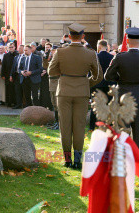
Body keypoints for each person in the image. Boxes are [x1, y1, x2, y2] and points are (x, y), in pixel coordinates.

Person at [48, 23, 102, 170]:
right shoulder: (91, 53)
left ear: (69, 36)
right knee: (79, 126)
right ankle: (77, 160)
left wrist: (64, 75)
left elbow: (51, 71)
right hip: (82, 92)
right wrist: (85, 83)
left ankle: (67, 160)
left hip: (64, 91)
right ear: (83, 37)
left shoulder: (60, 52)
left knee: (65, 126)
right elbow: (98, 76)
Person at [104, 27, 139, 151]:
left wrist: (120, 80)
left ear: (126, 41)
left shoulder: (120, 57)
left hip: (122, 96)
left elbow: (108, 75)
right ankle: (137, 163)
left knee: (122, 132)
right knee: (138, 133)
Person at [88, 39, 115, 130]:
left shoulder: (95, 57)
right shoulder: (112, 57)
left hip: (97, 84)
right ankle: (109, 126)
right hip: (109, 84)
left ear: (99, 46)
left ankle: (92, 126)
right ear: (106, 46)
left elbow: (90, 72)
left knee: (95, 106)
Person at [2, 42, 18, 107]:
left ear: (15, 47)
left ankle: (15, 102)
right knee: (8, 89)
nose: (11, 48)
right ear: (7, 48)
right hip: (7, 74)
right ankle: (9, 102)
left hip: (16, 75)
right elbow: (4, 65)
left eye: (12, 47)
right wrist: (2, 75)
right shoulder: (5, 55)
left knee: (15, 89)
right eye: (9, 47)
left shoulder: (17, 54)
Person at [10, 45, 25, 109]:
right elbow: (13, 67)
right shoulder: (16, 57)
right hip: (16, 76)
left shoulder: (26, 57)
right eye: (18, 48)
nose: (18, 49)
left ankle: (25, 104)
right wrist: (11, 75)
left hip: (23, 76)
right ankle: (18, 104)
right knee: (17, 91)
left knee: (24, 91)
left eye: (20, 48)